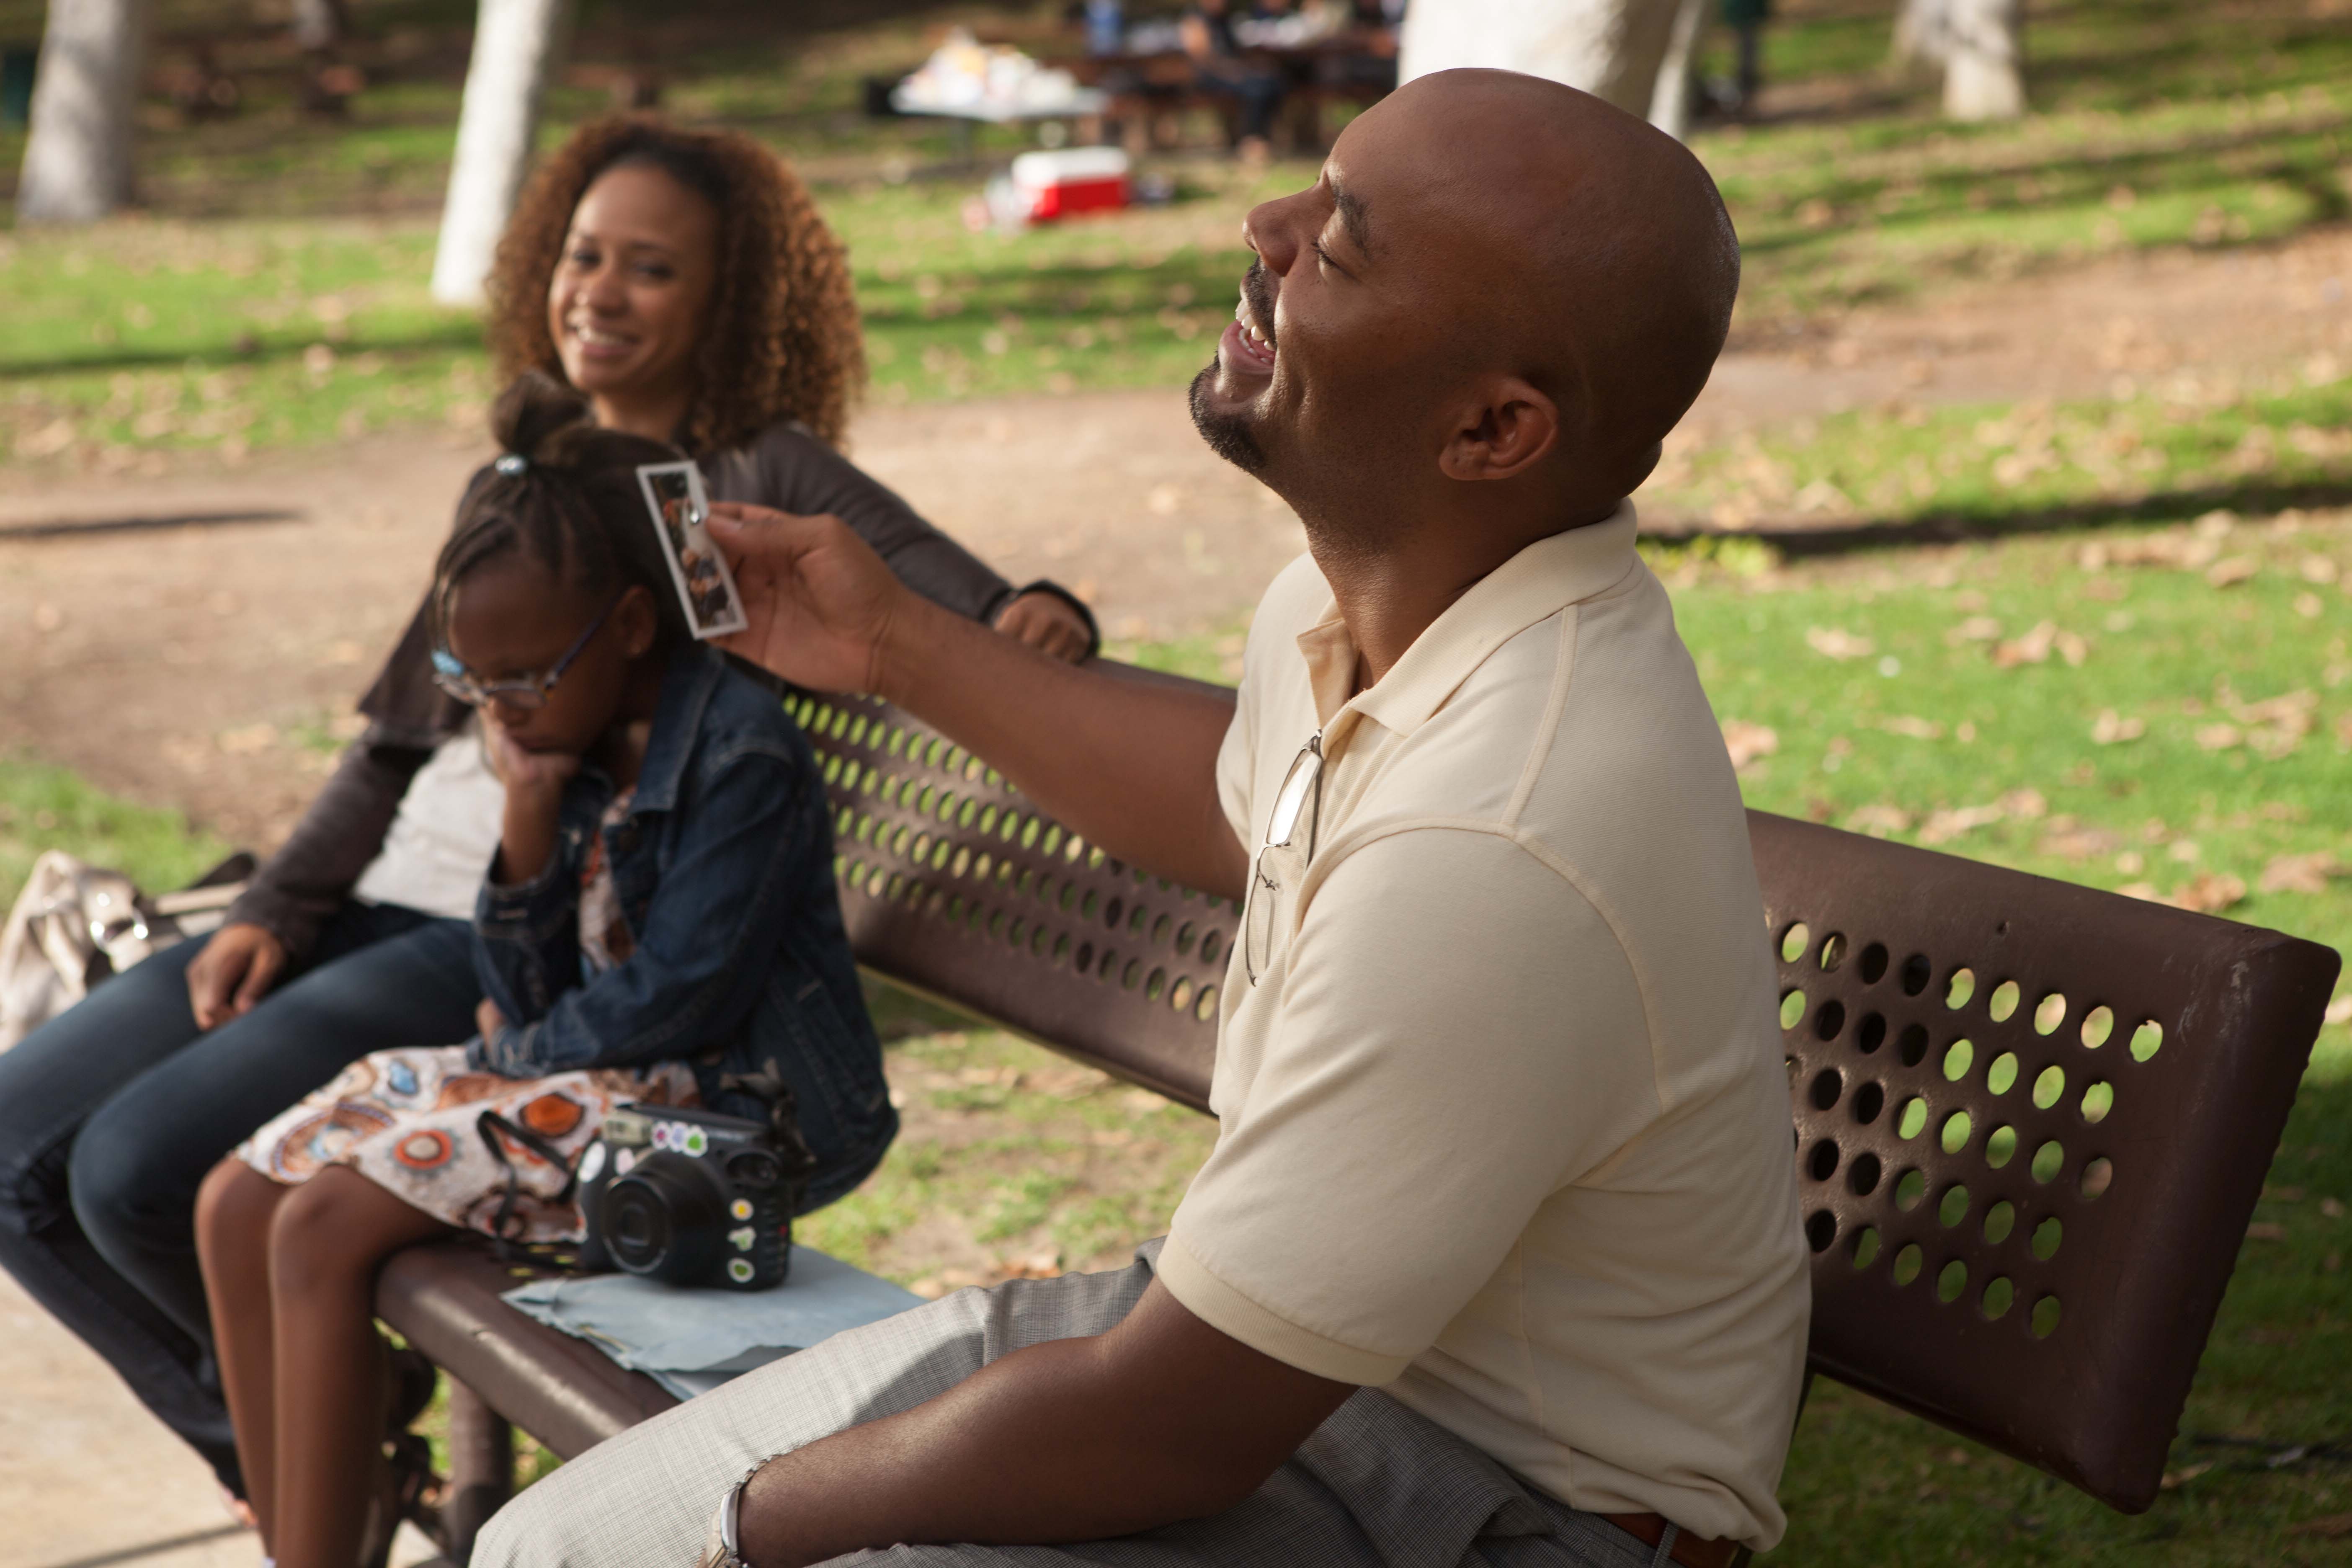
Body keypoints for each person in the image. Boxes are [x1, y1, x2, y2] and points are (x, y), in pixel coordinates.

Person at [475, 69, 1809, 1568]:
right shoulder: (1383, 595)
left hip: (1499, 1498)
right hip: (1308, 1374)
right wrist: (900, 644)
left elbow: (1173, 1426)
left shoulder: (1498, 837)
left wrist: (729, 1528)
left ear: (1493, 431)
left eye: (1343, 242)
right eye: (1315, 182)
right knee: (548, 1546)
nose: (1267, 225)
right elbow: (1239, 794)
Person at [0, 114, 1088, 1514]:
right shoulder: (524, 469)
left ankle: (316, 1457)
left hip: (498, 934)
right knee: (18, 1145)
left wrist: (1038, 613)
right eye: (584, 257)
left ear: (728, 303)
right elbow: (394, 742)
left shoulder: (757, 473)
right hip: (393, 895)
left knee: (133, 1169)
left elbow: (970, 599)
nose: (601, 293)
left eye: (651, 269)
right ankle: (309, 1438)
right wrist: (279, 904)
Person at [194, 372, 894, 1568]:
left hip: (733, 1119)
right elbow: (524, 997)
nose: (503, 712)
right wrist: (524, 821)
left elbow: (683, 996)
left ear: (629, 626)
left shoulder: (740, 756)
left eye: (524, 677)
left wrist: (504, 1054)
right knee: (232, 1201)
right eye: (476, 686)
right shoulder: (566, 740)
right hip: (599, 1077)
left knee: (318, 1226)